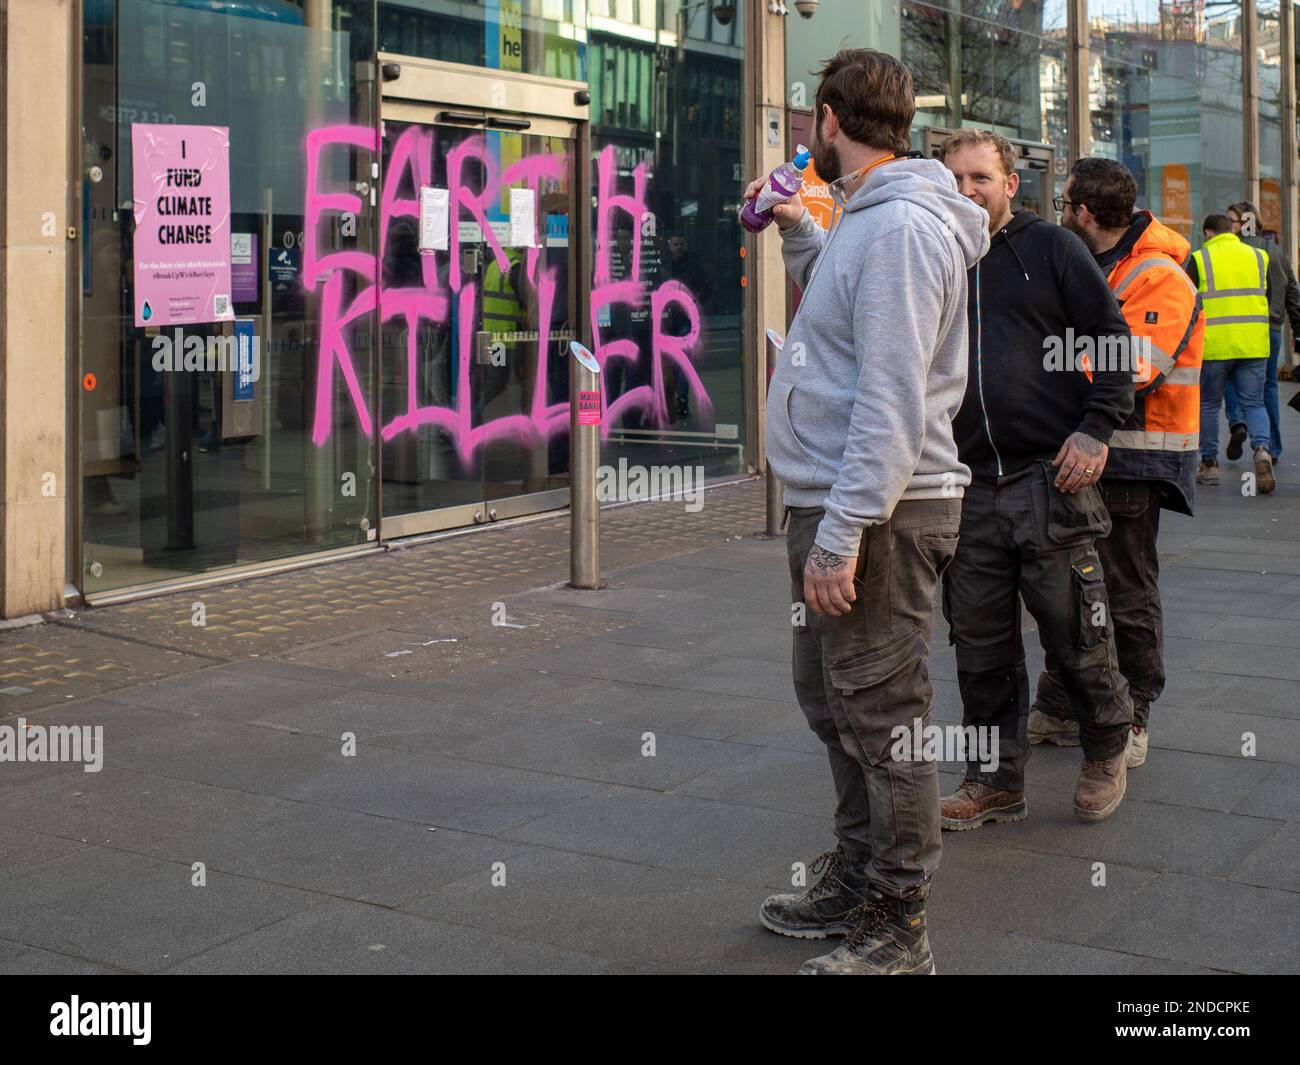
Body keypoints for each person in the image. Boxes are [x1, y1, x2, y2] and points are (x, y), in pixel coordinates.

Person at [752, 47, 988, 975]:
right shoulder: (864, 219)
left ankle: (900, 923)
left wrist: (844, 531)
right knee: (832, 699)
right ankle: (857, 879)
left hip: (882, 511)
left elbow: (890, 398)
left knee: (884, 713)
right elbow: (852, 333)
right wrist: (799, 235)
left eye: (810, 123)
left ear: (827, 121)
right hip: (850, 503)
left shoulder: (896, 230)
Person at [937, 130, 1136, 830]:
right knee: (981, 645)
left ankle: (1107, 744)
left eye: (980, 178)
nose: (966, 191)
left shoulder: (1052, 247)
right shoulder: (938, 253)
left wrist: (1097, 426)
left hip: (1050, 474)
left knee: (1076, 630)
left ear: (1010, 183)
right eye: (954, 179)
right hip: (965, 485)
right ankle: (994, 780)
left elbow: (1111, 339)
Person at [1028, 157, 1203, 770]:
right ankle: (1060, 704)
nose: (1057, 215)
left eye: (1062, 204)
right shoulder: (1101, 261)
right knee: (1072, 586)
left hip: (1132, 458)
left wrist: (1035, 364)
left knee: (1125, 589)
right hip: (1085, 451)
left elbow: (1131, 368)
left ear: (1082, 212)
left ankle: (1134, 716)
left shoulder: (1158, 273)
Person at [1186, 214, 1274, 493]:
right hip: (1253, 343)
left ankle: (1210, 464)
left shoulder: (1200, 258)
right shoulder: (1259, 256)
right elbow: (1268, 295)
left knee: (1209, 404)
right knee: (1254, 403)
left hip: (1214, 345)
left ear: (1208, 233)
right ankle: (1261, 449)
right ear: (1232, 230)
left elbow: (1187, 301)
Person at [1222, 202, 1300, 467]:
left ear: (1244, 223)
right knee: (1268, 388)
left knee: (1231, 376)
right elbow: (1293, 294)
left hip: (1243, 328)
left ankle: (1238, 422)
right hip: (1273, 329)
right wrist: (1298, 333)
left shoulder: (1236, 253)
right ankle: (1272, 446)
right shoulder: (1278, 252)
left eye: (1230, 220)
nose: (1226, 225)